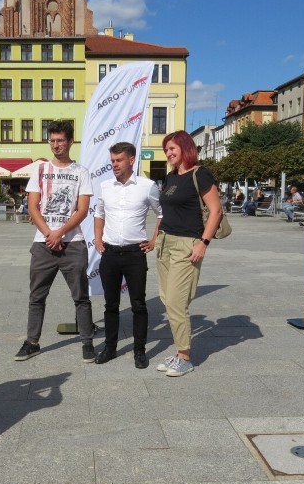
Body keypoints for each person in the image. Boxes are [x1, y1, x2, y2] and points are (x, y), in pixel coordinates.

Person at [14, 120, 95, 363]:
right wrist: (50, 233)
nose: (56, 145)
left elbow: (82, 210)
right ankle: (32, 343)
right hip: (43, 243)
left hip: (73, 243)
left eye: (60, 140)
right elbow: (32, 206)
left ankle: (87, 342)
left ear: (71, 142)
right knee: (36, 296)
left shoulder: (81, 172)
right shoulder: (39, 170)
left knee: (81, 296)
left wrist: (60, 233)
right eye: (52, 141)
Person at [155, 130, 223, 377]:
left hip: (187, 244)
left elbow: (215, 211)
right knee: (167, 298)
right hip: (165, 243)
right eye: (166, 150)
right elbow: (165, 213)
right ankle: (178, 352)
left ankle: (184, 356)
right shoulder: (171, 177)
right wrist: (156, 238)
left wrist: (203, 243)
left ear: (186, 148)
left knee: (176, 301)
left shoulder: (200, 174)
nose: (169, 153)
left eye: (172, 148)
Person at [93, 142, 162, 369]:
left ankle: (139, 351)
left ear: (131, 160)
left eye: (118, 160)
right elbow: (99, 213)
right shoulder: (105, 187)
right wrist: (98, 237)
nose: (114, 165)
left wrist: (154, 240)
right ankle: (110, 348)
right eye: (112, 160)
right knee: (110, 305)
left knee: (138, 304)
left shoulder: (147, 186)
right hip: (110, 254)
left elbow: (162, 214)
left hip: (134, 254)